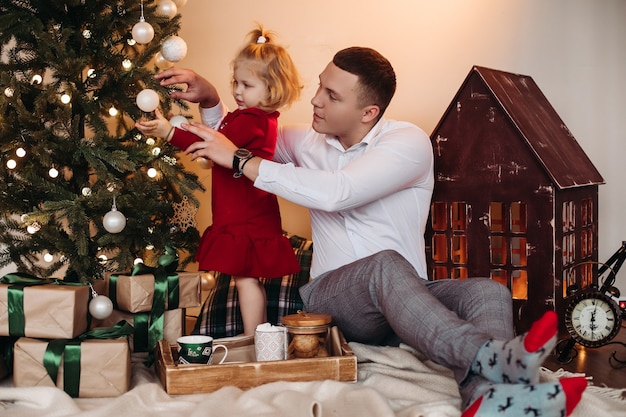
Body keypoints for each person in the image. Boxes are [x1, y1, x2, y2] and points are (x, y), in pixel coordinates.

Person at [152, 47, 587, 416]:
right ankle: (492, 357)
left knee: (487, 293)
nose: (315, 101)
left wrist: (243, 162)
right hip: (333, 301)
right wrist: (210, 97)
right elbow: (236, 132)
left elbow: (338, 192)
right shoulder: (301, 140)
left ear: (368, 112)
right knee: (384, 266)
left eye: (331, 95)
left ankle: (487, 400)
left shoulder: (408, 143)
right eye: (320, 86)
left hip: (407, 300)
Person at [136, 25, 302, 336]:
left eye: (247, 85)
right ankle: (255, 336)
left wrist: (168, 132)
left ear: (273, 88)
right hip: (239, 212)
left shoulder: (254, 121)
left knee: (246, 278)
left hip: (246, 216)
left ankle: (256, 336)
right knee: (244, 279)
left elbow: (213, 142)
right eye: (235, 82)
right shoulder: (249, 116)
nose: (237, 91)